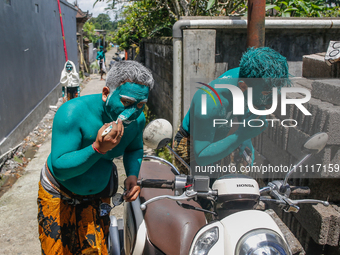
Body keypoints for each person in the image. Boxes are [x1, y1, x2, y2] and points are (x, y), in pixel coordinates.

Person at [37, 61, 154, 254]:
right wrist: (97, 149)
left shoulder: (136, 121)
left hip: (98, 196)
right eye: (126, 102)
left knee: (95, 250)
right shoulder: (72, 113)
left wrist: (132, 175)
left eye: (141, 104)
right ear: (106, 93)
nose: (133, 112)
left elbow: (134, 148)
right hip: (59, 192)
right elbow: (60, 168)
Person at [173, 47, 290, 175]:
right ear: (243, 86)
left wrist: (245, 140)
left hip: (220, 138)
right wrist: (241, 136)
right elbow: (201, 156)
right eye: (267, 93)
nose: (272, 100)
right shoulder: (208, 103)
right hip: (193, 147)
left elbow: (242, 104)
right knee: (201, 191)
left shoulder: (247, 77)